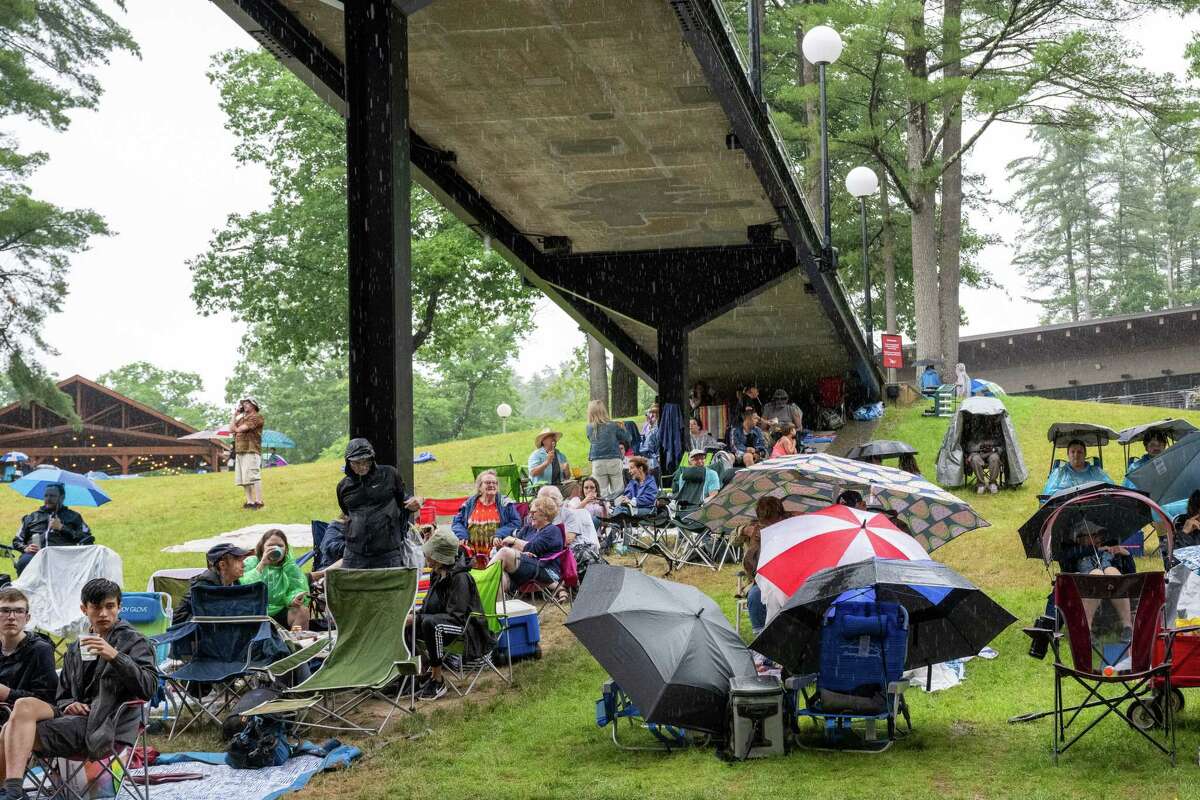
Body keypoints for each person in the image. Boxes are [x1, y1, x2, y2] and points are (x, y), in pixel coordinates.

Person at [0, 578, 155, 800]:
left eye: (110, 606)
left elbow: (148, 688)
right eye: (96, 607)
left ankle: (11, 792)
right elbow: (61, 696)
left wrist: (115, 656)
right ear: (84, 609)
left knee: (10, 731)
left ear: (119, 607)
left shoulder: (136, 642)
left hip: (110, 725)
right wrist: (70, 704)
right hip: (75, 722)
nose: (103, 613)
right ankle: (11, 791)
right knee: (12, 724)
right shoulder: (77, 647)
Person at [409, 530, 495, 702]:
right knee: (408, 624)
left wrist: (421, 619)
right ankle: (421, 673)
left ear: (439, 556)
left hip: (467, 629)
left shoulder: (461, 578)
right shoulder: (437, 574)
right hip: (442, 625)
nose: (427, 556)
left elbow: (457, 616)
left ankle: (438, 679)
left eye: (430, 553)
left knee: (431, 624)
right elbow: (428, 607)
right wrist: (414, 617)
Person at [336, 438, 424, 569]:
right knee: (354, 589)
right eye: (356, 463)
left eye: (366, 461)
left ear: (372, 460)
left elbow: (404, 499)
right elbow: (346, 513)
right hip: (354, 554)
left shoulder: (389, 474)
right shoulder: (343, 486)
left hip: (388, 552)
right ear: (348, 463)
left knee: (391, 588)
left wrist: (417, 501)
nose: (362, 467)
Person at [1061, 520, 1133, 638]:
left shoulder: (1110, 547)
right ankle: (1087, 629)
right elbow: (1067, 559)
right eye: (1092, 535)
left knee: (1111, 571)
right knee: (1097, 573)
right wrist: (1097, 549)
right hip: (1086, 586)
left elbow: (1131, 574)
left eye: (1099, 534)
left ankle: (1127, 626)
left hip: (1112, 586)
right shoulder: (1073, 551)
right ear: (1079, 539)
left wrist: (1127, 555)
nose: (1098, 538)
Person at [733, 496, 790, 637]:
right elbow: (732, 539)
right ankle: (761, 638)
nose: (769, 524)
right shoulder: (754, 527)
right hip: (760, 579)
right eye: (765, 521)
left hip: (787, 576)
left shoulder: (790, 523)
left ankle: (787, 636)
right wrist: (743, 530)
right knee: (755, 596)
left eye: (773, 519)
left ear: (780, 514)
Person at [0, 588, 57, 724]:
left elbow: (47, 699)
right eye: (5, 610)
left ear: (27, 618)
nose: (12, 617)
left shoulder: (40, 650)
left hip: (22, 722)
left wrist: (7, 693)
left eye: (19, 611)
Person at [491, 497, 565, 596]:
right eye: (530, 512)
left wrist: (514, 540)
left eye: (534, 512)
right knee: (499, 576)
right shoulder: (528, 529)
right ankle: (496, 608)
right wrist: (519, 552)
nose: (530, 515)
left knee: (505, 553)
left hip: (546, 571)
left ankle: (480, 581)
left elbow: (533, 548)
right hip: (526, 569)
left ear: (545, 515)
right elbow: (513, 548)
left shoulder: (552, 530)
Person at [12, 483, 91, 575]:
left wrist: (62, 528)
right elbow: (17, 541)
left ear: (62, 497)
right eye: (46, 496)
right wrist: (25, 548)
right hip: (34, 555)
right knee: (24, 562)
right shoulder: (31, 517)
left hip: (63, 555)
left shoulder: (74, 516)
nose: (48, 499)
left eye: (52, 496)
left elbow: (86, 538)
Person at [242, 529, 309, 631]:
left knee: (302, 611)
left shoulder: (289, 566)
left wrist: (293, 599)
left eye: (280, 545)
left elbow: (298, 588)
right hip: (255, 612)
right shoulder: (251, 562)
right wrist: (261, 565)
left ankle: (297, 645)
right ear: (262, 547)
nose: (275, 548)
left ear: (286, 549)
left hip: (280, 610)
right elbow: (242, 585)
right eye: (270, 545)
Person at [172, 543, 251, 625]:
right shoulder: (205, 587)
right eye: (238, 561)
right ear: (222, 565)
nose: (244, 565)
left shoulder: (234, 582)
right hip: (188, 630)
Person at [451, 470, 521, 550]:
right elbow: (457, 522)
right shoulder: (469, 503)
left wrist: (500, 533)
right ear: (479, 487)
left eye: (494, 483)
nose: (492, 485)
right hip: (471, 554)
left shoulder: (505, 503)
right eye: (487, 483)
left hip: (497, 553)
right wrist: (462, 534)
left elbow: (516, 522)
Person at [585, 400, 630, 498]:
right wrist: (623, 428)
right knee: (618, 490)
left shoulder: (589, 427)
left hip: (597, 462)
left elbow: (591, 440)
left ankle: (604, 511)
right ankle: (619, 511)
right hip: (614, 459)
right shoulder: (613, 425)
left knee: (601, 492)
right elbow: (627, 438)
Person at [231, 397, 265, 510]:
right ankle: (250, 502)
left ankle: (259, 501)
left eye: (247, 403)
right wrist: (234, 415)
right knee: (244, 478)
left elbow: (240, 429)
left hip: (251, 449)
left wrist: (236, 427)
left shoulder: (257, 417)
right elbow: (231, 429)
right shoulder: (241, 418)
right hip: (240, 450)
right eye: (243, 404)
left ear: (253, 405)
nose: (244, 405)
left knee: (253, 476)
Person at [965, 418, 1006, 495]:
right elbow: (969, 447)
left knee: (995, 458)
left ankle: (993, 483)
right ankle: (981, 484)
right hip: (978, 454)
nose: (987, 425)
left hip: (992, 453)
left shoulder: (996, 432)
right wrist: (980, 447)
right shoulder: (974, 433)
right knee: (975, 459)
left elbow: (1002, 447)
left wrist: (993, 449)